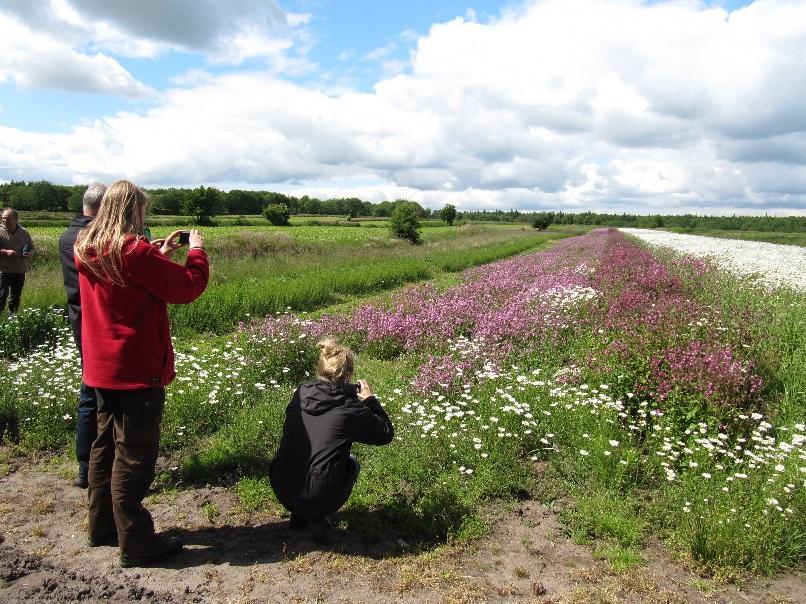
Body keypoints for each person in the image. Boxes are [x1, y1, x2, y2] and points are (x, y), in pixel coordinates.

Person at [74, 180, 208, 567]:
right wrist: (196, 253)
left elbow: (129, 283)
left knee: (104, 449)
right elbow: (187, 287)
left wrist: (159, 253)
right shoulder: (132, 251)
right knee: (134, 456)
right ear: (134, 210)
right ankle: (135, 541)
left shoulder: (88, 247)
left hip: (101, 366)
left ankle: (102, 527)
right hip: (135, 366)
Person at [270, 339, 394, 542]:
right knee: (351, 462)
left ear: (321, 368)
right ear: (349, 375)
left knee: (308, 452)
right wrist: (370, 400)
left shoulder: (301, 394)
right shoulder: (348, 407)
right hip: (318, 492)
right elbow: (385, 433)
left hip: (282, 484)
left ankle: (300, 513)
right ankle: (318, 513)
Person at [59, 183, 106, 489]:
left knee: (90, 390)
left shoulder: (67, 235)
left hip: (79, 319)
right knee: (96, 395)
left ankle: (85, 465)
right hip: (98, 323)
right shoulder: (94, 238)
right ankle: (94, 465)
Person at [0, 207, 35, 316]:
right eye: (3, 218)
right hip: (3, 270)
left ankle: (12, 318)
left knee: (16, 296)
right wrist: (6, 252)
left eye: (8, 219)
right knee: (1, 295)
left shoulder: (24, 232)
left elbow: (31, 248)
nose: (5, 220)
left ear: (16, 219)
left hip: (20, 269)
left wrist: (29, 253)